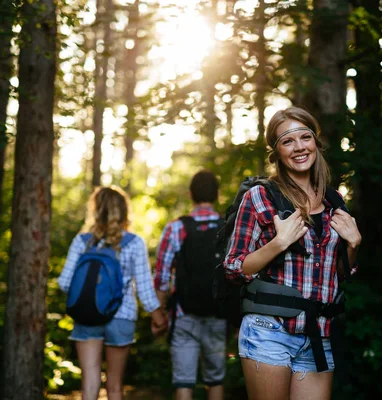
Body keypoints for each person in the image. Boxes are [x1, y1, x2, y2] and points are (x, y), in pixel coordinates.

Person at [223, 106, 362, 400]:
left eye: (305, 137)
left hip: (318, 335)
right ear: (276, 152)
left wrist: (353, 246)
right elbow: (235, 268)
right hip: (268, 331)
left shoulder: (334, 200)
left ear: (315, 142)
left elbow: (340, 275)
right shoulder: (260, 197)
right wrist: (278, 242)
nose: (299, 147)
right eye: (287, 141)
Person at [58, 186, 167, 400]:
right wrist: (159, 319)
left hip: (87, 315)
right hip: (121, 317)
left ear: (96, 210)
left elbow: (64, 283)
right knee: (115, 387)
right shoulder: (134, 243)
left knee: (89, 385)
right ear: (125, 212)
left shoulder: (82, 241)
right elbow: (145, 290)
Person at [154, 169, 227, 400]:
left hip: (184, 314)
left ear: (190, 194)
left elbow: (162, 276)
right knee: (215, 379)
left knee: (184, 381)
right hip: (218, 314)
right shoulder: (228, 227)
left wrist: (159, 314)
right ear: (217, 194)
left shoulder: (176, 227)